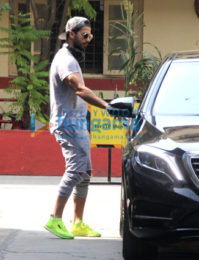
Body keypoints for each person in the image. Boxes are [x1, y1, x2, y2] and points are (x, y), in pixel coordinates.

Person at [45, 16, 116, 239]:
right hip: (68, 123)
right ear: (71, 35)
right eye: (84, 35)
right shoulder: (65, 60)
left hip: (76, 122)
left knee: (84, 173)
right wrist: (106, 106)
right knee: (76, 169)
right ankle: (54, 219)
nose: (88, 39)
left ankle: (77, 222)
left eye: (90, 35)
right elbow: (78, 88)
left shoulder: (71, 58)